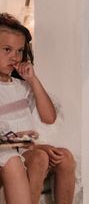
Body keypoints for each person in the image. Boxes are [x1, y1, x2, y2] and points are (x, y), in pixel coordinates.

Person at [0, 13, 75, 204]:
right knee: (40, 157)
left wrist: (33, 80)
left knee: (65, 157)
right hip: (6, 151)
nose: (15, 57)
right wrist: (36, 147)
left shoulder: (22, 87)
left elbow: (49, 117)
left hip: (24, 148)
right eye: (7, 50)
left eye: (19, 51)